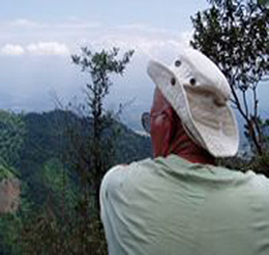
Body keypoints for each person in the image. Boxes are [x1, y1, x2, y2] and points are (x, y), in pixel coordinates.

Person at [100, 48, 269, 255]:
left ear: (167, 123)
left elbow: (115, 175)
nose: (150, 130)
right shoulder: (263, 199)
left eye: (150, 120)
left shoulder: (119, 188)